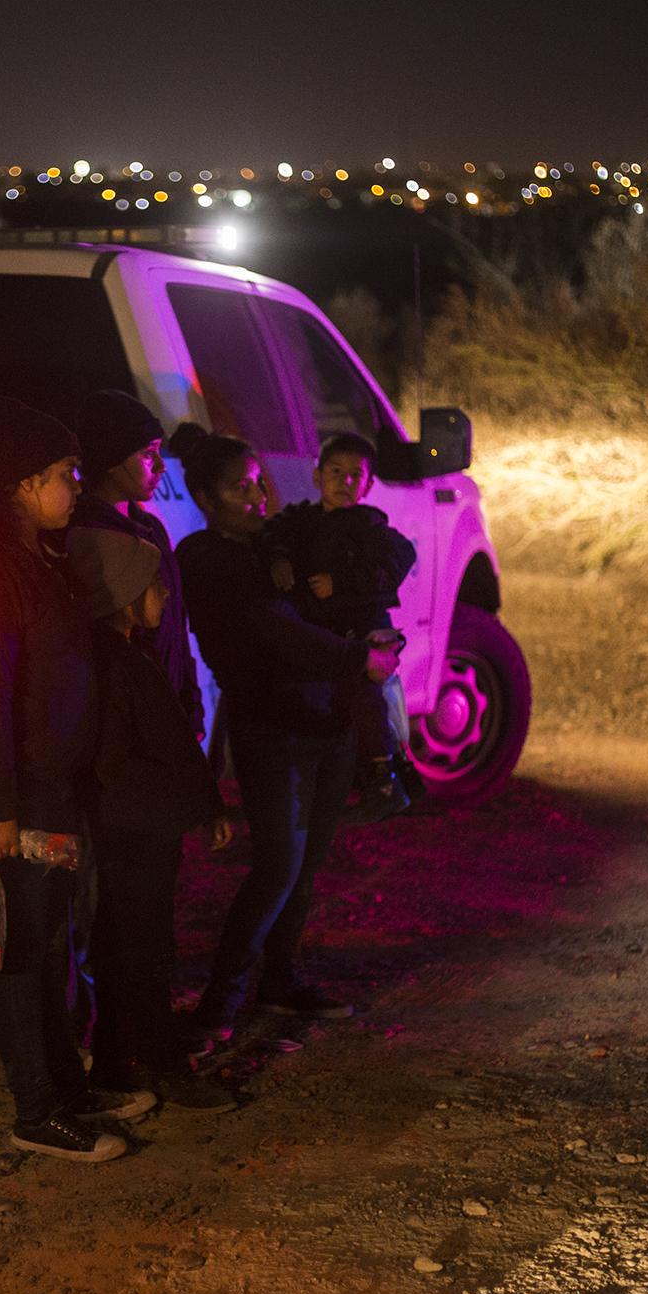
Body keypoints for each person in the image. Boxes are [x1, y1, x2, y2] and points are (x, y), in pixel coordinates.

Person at [0, 395, 153, 1162]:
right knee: (16, 954)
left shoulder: (34, 555)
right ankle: (36, 1109)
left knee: (49, 945)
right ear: (23, 482)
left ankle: (67, 1086)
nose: (75, 486)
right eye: (65, 473)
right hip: (11, 799)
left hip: (48, 791)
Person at [169, 426, 403, 1049]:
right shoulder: (205, 558)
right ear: (205, 496)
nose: (257, 496)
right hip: (272, 729)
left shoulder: (274, 546)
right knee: (276, 867)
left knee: (305, 866)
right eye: (239, 488)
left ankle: (282, 977)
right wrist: (360, 659)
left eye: (258, 483)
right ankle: (219, 1004)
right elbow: (277, 634)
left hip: (324, 722)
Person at [65, 526, 239, 1113]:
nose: (166, 597)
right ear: (126, 594)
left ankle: (120, 1060)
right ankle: (156, 1061)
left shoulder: (121, 656)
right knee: (141, 948)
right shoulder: (115, 666)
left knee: (126, 946)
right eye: (156, 586)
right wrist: (187, 807)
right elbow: (123, 762)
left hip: (139, 828)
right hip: (135, 834)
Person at [262, 432, 421, 819]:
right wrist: (279, 559)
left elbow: (400, 559)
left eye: (355, 475)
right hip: (321, 637)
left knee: (364, 698)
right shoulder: (301, 520)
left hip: (362, 629)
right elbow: (271, 535)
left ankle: (385, 778)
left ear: (367, 485)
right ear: (317, 476)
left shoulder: (369, 527)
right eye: (336, 471)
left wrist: (343, 583)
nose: (344, 481)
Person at [72, 389, 204, 735]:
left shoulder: (151, 528)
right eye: (148, 455)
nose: (161, 467)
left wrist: (191, 701)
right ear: (111, 461)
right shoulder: (86, 536)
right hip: (131, 721)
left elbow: (176, 622)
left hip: (169, 705)